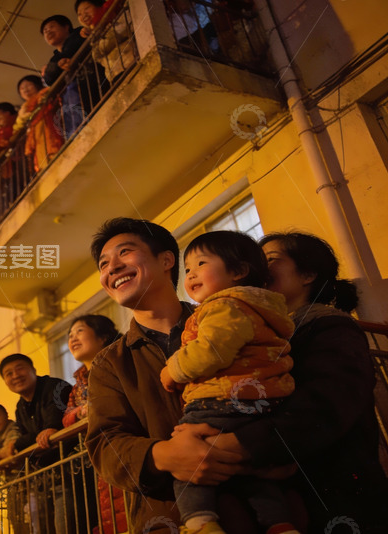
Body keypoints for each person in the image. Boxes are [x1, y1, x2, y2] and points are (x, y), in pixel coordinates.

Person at [199, 232, 388, 533]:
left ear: (308, 274)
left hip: (337, 493)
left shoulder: (329, 325)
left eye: (270, 259)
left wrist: (241, 444)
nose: (258, 267)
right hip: (285, 496)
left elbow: (328, 404)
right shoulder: (260, 334)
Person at [85, 217, 244, 531]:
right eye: (103, 264)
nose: (112, 268)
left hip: (257, 511)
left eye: (124, 252)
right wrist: (165, 455)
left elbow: (278, 385)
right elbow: (105, 444)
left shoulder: (229, 322)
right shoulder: (109, 364)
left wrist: (247, 444)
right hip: (166, 519)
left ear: (167, 260)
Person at [161, 231, 296, 534]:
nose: (191, 274)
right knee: (254, 474)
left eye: (201, 263)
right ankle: (279, 524)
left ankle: (200, 523)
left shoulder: (223, 306)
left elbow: (212, 350)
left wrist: (172, 370)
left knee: (187, 461)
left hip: (219, 400)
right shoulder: (261, 308)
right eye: (188, 268)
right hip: (262, 403)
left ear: (238, 271)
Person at [61, 315, 126, 534]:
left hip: (123, 445)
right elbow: (67, 418)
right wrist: (80, 412)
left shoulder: (119, 362)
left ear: (103, 336)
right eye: (70, 335)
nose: (72, 338)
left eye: (79, 331)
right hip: (96, 455)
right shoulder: (78, 383)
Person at [0, 353, 72, 534]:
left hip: (72, 471)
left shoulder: (55, 386)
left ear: (33, 369)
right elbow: (32, 436)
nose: (15, 376)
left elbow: (53, 424)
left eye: (20, 368)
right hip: (46, 479)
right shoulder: (20, 407)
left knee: (67, 526)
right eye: (8, 374)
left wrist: (18, 443)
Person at [14, 75, 64, 174]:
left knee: (52, 149)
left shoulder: (45, 94)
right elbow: (16, 128)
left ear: (36, 84)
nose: (25, 90)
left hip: (48, 126)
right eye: (22, 89)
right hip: (37, 137)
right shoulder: (24, 110)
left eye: (28, 85)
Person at [76, 0, 135, 83]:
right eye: (79, 14)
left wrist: (98, 33)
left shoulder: (117, 14)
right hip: (114, 76)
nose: (84, 15)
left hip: (130, 64)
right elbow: (96, 55)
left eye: (87, 8)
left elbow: (120, 31)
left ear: (99, 6)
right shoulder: (93, 36)